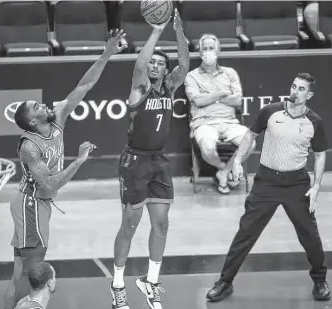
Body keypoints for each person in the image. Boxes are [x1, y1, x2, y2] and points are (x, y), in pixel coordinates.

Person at [4, 29, 127, 309]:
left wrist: (107, 53)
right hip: (31, 205)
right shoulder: (29, 147)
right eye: (37, 106)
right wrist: (79, 161)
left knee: (18, 274)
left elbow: (84, 85)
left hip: (36, 205)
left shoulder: (58, 115)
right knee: (33, 276)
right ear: (32, 122)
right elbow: (49, 185)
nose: (43, 104)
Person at [206, 73, 330, 302]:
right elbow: (250, 134)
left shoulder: (315, 122)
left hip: (296, 184)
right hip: (266, 183)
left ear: (309, 95)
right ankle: (225, 282)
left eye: (301, 89)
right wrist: (236, 162)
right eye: (293, 86)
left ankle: (320, 280)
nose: (295, 91)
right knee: (246, 233)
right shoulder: (270, 111)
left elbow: (320, 154)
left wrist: (316, 186)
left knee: (310, 235)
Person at [110, 9, 189, 309]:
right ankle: (117, 284)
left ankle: (150, 282)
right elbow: (139, 64)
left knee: (162, 225)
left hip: (159, 162)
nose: (154, 65)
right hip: (134, 163)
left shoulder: (170, 86)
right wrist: (156, 30)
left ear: (165, 71)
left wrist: (178, 30)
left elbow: (184, 62)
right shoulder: (139, 88)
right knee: (129, 226)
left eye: (160, 63)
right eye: (152, 62)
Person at [184, 34, 256, 194]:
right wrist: (221, 93)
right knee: (208, 148)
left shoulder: (230, 73)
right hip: (203, 123)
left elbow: (237, 100)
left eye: (212, 48)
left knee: (250, 141)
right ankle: (224, 168)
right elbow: (199, 101)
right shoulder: (192, 76)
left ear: (218, 51)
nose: (208, 52)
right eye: (205, 49)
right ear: (200, 52)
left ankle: (223, 173)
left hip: (230, 122)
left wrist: (209, 96)